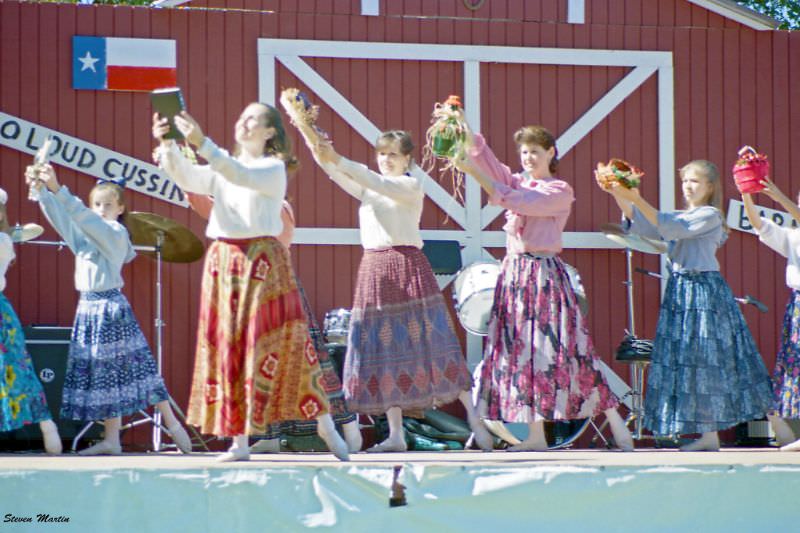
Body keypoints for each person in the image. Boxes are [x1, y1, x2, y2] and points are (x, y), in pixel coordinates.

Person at [152, 103, 349, 461]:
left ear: (270, 132)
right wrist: (168, 144)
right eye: (241, 117)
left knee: (288, 344)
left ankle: (325, 425)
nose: (243, 123)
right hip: (225, 262)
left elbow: (237, 173)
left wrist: (202, 143)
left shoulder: (271, 168)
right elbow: (189, 178)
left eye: (253, 119)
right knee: (231, 349)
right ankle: (239, 442)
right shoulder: (223, 166)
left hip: (263, 262)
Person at [303, 129, 494, 453]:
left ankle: (476, 420)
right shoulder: (372, 190)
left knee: (433, 345)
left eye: (392, 154)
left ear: (407, 159)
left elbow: (367, 177)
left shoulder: (408, 186)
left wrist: (338, 158)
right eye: (381, 154)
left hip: (406, 266)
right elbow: (334, 171)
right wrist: (314, 142)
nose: (385, 160)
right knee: (383, 351)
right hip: (375, 269)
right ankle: (395, 435)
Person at [454, 124, 633, 452]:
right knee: (523, 354)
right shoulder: (519, 180)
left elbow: (515, 200)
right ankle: (535, 436)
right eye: (524, 152)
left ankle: (617, 424)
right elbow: (490, 163)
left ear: (551, 153)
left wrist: (476, 176)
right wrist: (462, 126)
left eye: (535, 151)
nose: (528, 157)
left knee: (568, 353)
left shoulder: (559, 191)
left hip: (544, 276)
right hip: (516, 274)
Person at [598, 159, 772, 451]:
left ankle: (715, 435)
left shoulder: (711, 215)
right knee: (688, 363)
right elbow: (647, 225)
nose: (688, 187)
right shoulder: (683, 215)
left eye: (694, 181)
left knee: (705, 361)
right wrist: (618, 192)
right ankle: (708, 437)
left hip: (703, 291)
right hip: (681, 291)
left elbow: (671, 227)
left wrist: (635, 196)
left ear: (710, 187)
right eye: (685, 181)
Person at [25, 167, 192, 456]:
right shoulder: (89, 236)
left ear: (121, 209)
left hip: (110, 308)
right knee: (106, 376)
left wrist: (59, 189)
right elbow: (65, 221)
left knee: (137, 367)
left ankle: (172, 423)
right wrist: (42, 191)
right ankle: (111, 439)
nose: (101, 210)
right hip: (88, 308)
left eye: (108, 205)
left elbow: (84, 219)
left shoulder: (115, 233)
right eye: (97, 205)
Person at [185, 192, 362, 453]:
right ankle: (263, 438)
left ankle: (346, 427)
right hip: (246, 287)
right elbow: (211, 209)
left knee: (305, 362)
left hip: (273, 288)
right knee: (249, 362)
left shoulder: (279, 208)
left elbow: (257, 231)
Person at [0, 187, 62, 454]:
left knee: (17, 369)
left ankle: (48, 426)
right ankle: (47, 426)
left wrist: (13, 231)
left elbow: (34, 229)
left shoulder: (3, 241)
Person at [742, 178, 800, 451]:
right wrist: (746, 196)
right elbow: (759, 226)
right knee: (794, 366)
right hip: (797, 305)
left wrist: (778, 196)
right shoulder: (793, 236)